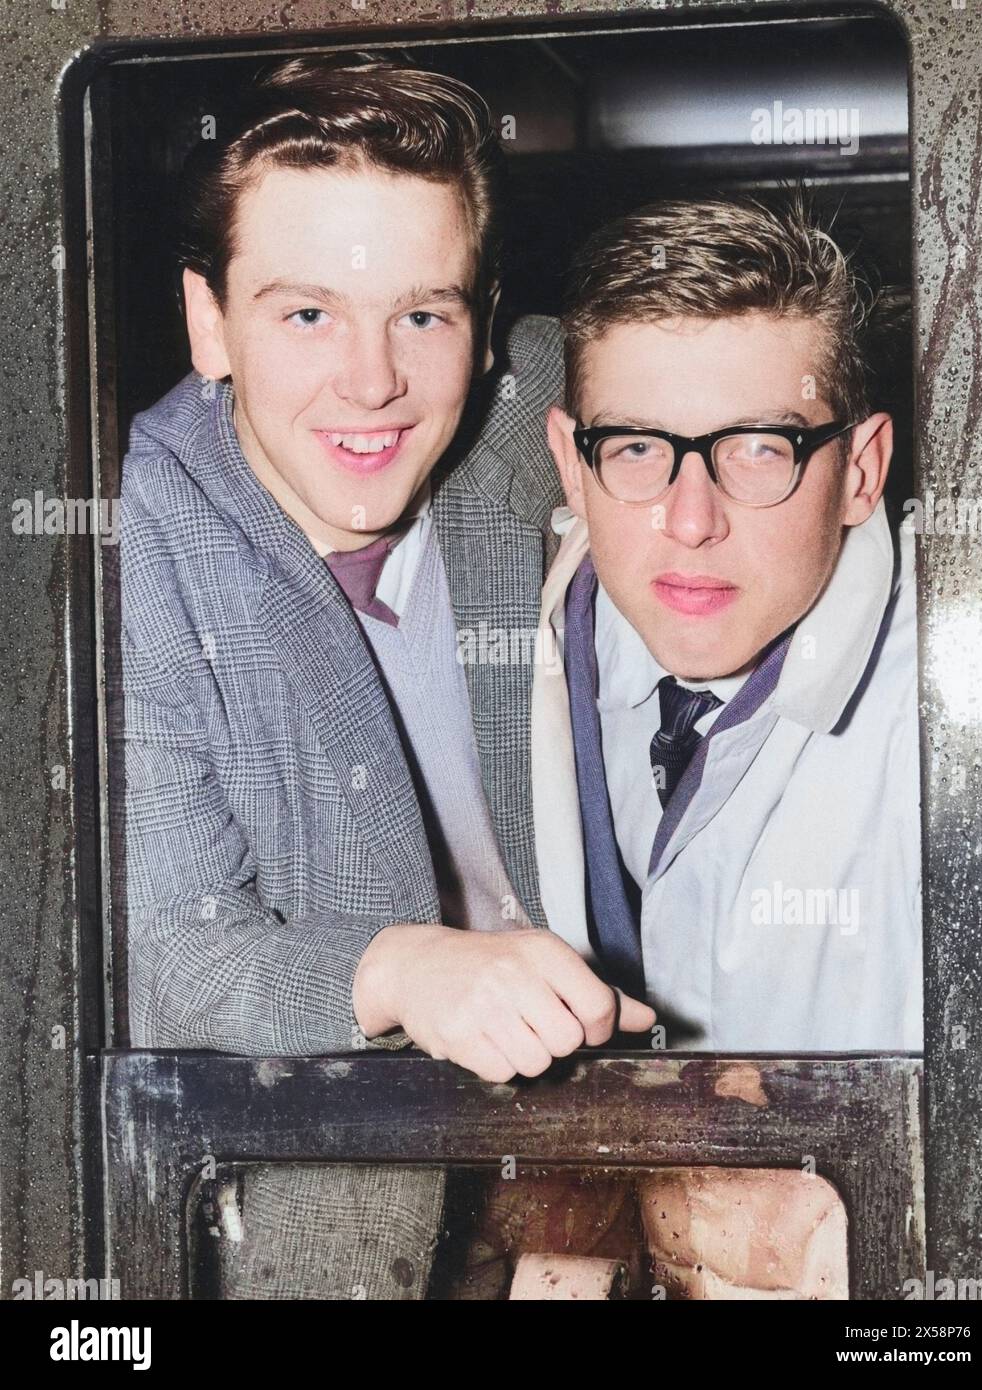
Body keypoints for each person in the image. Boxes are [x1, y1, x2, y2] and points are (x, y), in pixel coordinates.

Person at [119, 53, 653, 1301]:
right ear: (211, 322)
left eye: (424, 313)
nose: (373, 382)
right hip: (317, 1237)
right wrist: (408, 969)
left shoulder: (528, 398)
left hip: (608, 1147)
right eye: (306, 314)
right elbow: (170, 948)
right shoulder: (127, 530)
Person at [475, 190, 922, 1299]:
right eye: (636, 448)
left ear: (860, 469)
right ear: (569, 464)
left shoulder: (963, 692)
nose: (689, 517)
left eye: (757, 449)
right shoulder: (512, 630)